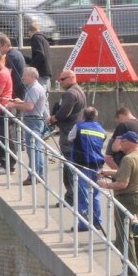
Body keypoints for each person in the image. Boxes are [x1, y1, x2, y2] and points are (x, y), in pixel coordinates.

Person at [99, 131, 138, 276]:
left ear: (129, 143)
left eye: (122, 142)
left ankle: (131, 271)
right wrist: (108, 172)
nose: (119, 144)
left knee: (124, 236)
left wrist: (105, 184)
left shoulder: (128, 159)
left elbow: (123, 183)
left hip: (128, 200)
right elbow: (124, 173)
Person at [48, 69, 85, 205]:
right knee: (74, 165)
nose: (60, 82)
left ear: (71, 78)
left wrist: (53, 118)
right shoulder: (79, 90)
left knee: (69, 166)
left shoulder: (70, 94)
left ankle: (71, 198)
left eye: (62, 79)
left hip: (68, 133)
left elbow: (64, 113)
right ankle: (75, 196)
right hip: (76, 131)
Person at [69, 107, 107, 234]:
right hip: (98, 166)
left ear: (83, 116)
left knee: (83, 195)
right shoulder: (102, 130)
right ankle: (97, 223)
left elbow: (70, 138)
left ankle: (84, 224)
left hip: (81, 165)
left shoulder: (78, 126)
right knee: (96, 195)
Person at [8, 66, 49, 184]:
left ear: (31, 76)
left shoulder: (34, 89)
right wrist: (19, 102)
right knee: (36, 148)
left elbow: (29, 107)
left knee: (33, 149)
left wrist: (14, 105)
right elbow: (29, 104)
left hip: (33, 121)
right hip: (34, 120)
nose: (23, 78)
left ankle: (34, 176)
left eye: (25, 75)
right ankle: (38, 174)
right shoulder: (34, 87)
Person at [0, 32, 27, 100]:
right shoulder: (17, 52)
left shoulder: (10, 56)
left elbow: (7, 75)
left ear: (5, 46)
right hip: (21, 85)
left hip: (16, 88)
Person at [28, 23, 52, 89]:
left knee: (39, 96)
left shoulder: (35, 38)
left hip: (41, 73)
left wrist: (31, 67)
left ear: (30, 32)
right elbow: (40, 56)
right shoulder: (44, 39)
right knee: (44, 97)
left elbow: (40, 55)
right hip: (46, 72)